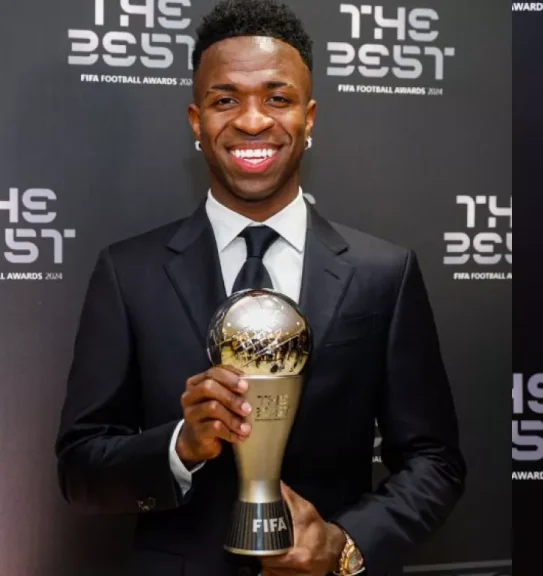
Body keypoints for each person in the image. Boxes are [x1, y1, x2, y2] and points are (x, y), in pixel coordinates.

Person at [54, 1, 466, 575]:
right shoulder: (129, 273)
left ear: (309, 117)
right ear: (196, 121)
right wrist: (180, 445)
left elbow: (434, 462)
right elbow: (80, 469)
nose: (252, 122)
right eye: (226, 100)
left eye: (277, 98)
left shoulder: (383, 273)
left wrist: (343, 545)